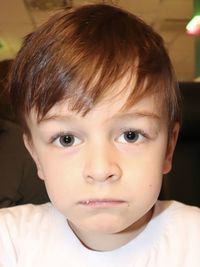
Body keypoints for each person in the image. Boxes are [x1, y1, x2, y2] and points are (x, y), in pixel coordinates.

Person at [0, 3, 199, 266]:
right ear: (35, 155)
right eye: (66, 139)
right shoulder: (9, 240)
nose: (100, 169)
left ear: (169, 147)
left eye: (130, 135)